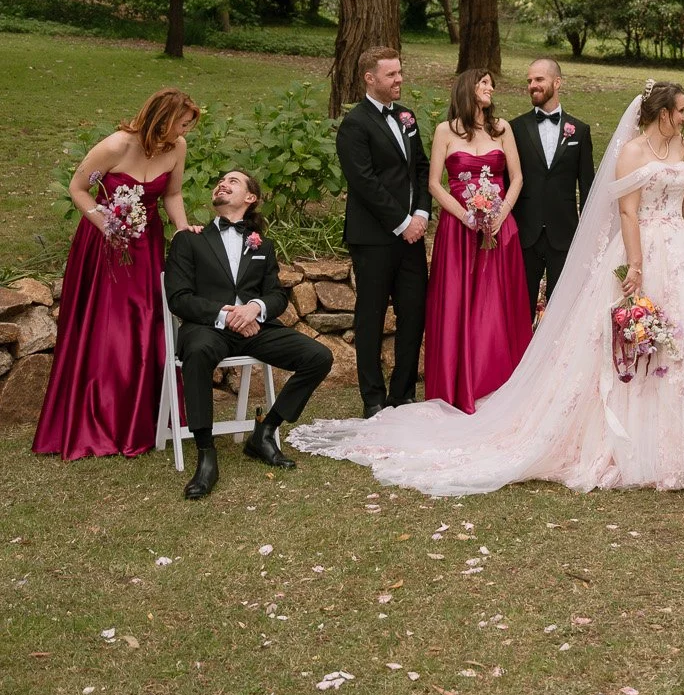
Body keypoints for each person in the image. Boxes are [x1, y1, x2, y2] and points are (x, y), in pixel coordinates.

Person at [291, 82, 684, 496]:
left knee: (682, 341)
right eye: (681, 112)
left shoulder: (678, 143)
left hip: (677, 252)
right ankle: (631, 437)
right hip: (644, 251)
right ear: (662, 113)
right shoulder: (633, 152)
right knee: (631, 339)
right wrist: (634, 264)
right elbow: (629, 213)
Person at [34, 87, 200, 461]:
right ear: (163, 118)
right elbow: (78, 189)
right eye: (182, 124)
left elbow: (172, 194)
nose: (185, 133)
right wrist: (106, 223)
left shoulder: (177, 150)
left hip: (147, 246)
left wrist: (183, 227)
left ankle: (142, 420)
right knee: (106, 326)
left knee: (144, 322)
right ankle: (97, 418)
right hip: (104, 246)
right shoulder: (114, 146)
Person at [164, 170, 333, 499]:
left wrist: (255, 308)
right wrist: (228, 315)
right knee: (197, 353)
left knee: (319, 356)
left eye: (233, 182)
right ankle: (206, 456)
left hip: (256, 328)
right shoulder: (189, 239)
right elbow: (179, 298)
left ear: (250, 198)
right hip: (208, 328)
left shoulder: (262, 245)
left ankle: (266, 431)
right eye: (220, 181)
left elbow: (277, 295)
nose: (222, 184)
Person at [424, 68, 531, 412]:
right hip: (459, 231)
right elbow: (434, 184)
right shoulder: (445, 131)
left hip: (500, 230)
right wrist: (465, 215)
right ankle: (459, 386)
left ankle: (497, 382)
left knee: (496, 307)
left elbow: (516, 178)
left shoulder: (502, 129)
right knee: (460, 305)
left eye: (491, 84)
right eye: (483, 82)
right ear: (467, 88)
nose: (490, 87)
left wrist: (501, 214)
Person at [335, 47, 431, 417]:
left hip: (412, 234)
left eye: (400, 73)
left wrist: (421, 212)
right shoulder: (355, 125)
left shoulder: (406, 116)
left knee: (413, 312)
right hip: (374, 238)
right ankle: (373, 398)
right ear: (369, 79)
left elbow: (421, 167)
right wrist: (402, 222)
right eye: (391, 75)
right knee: (371, 316)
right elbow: (364, 183)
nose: (399, 80)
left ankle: (403, 393)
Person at [509, 57, 595, 313]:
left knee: (562, 312)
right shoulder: (515, 128)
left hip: (564, 234)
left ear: (557, 83)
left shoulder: (579, 131)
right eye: (529, 81)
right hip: (525, 235)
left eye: (539, 79)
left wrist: (586, 235)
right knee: (519, 309)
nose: (532, 85)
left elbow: (588, 186)